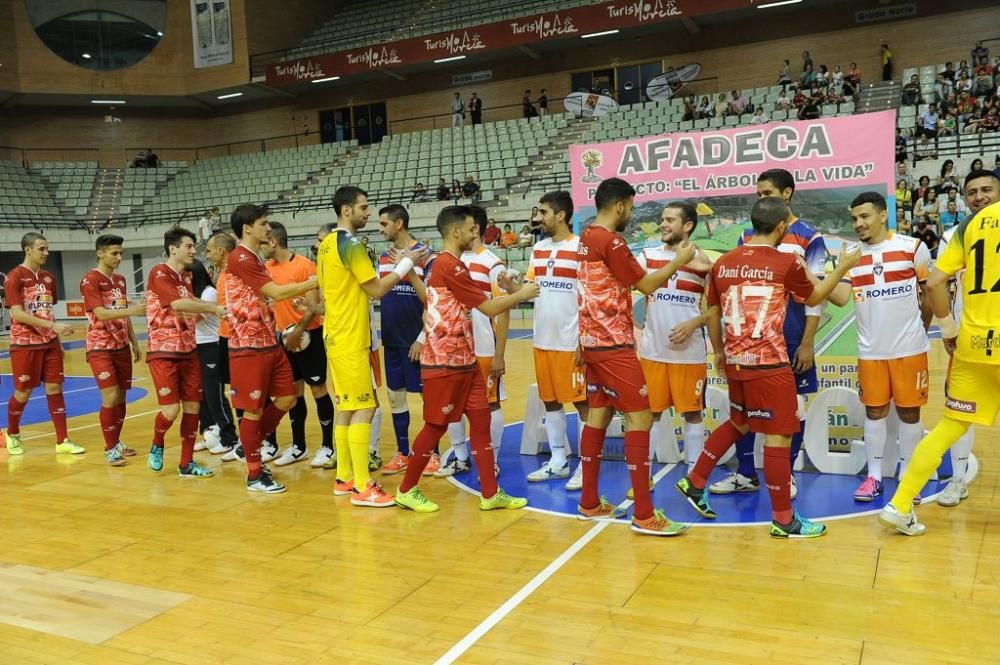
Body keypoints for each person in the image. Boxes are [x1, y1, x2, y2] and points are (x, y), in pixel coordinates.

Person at [675, 197, 861, 538]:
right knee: (779, 436)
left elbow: (713, 313)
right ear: (781, 227)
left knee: (740, 422)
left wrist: (718, 352)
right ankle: (784, 519)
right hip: (769, 365)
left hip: (735, 363)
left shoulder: (724, 263)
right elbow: (816, 297)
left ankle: (695, 480)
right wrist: (843, 267)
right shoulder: (785, 262)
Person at [393, 206, 539, 513]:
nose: (477, 233)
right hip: (444, 364)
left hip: (466, 361)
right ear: (456, 231)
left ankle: (490, 492)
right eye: (472, 228)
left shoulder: (445, 264)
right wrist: (523, 293)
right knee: (435, 426)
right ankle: (407, 490)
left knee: (482, 422)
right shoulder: (450, 266)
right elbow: (487, 308)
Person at [576, 177, 696, 536]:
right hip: (613, 346)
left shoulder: (585, 237)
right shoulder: (610, 241)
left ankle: (589, 502)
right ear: (620, 206)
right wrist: (680, 260)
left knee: (598, 415)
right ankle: (644, 514)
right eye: (630, 206)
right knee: (641, 418)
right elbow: (644, 285)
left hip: (592, 342)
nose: (630, 213)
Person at [715, 169, 842, 498]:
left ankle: (785, 475)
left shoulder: (809, 238)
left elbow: (816, 296)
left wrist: (807, 342)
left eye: (767, 192)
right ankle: (745, 473)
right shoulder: (746, 236)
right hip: (752, 344)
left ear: (787, 194)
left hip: (792, 339)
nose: (761, 198)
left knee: (792, 411)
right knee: (743, 412)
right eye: (758, 194)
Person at [880, 193, 1000, 535]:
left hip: (973, 343)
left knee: (950, 426)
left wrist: (948, 329)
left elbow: (934, 282)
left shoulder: (969, 224)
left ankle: (900, 504)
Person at [316, 186, 428, 506]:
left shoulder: (325, 244)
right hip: (351, 337)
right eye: (364, 208)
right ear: (346, 210)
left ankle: (344, 477)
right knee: (365, 407)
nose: (368, 213)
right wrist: (406, 263)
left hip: (335, 333)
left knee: (347, 407)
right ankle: (363, 486)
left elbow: (327, 292)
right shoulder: (350, 244)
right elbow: (377, 290)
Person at [843, 192, 932, 502]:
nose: (859, 223)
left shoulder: (912, 248)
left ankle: (908, 478)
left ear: (883, 215)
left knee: (910, 414)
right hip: (871, 352)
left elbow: (928, 294)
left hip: (909, 348)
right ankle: (874, 477)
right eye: (854, 218)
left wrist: (920, 328)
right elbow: (838, 297)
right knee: (875, 411)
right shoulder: (851, 256)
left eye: (865, 216)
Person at [227, 205, 319, 493]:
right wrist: (316, 280)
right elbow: (276, 292)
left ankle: (250, 443)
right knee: (252, 412)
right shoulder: (241, 257)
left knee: (287, 398)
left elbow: (267, 297)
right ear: (248, 228)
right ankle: (255, 473)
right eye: (264, 224)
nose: (269, 229)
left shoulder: (255, 257)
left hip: (269, 342)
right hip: (248, 346)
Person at [930, 169, 1000, 509]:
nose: (979, 197)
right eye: (972, 192)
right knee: (961, 413)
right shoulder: (955, 234)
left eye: (987, 189)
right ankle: (958, 479)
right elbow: (937, 283)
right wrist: (948, 329)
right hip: (973, 339)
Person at [637, 202, 713, 471]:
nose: (663, 224)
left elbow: (716, 309)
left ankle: (694, 473)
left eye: (670, 220)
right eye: (662, 219)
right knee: (650, 413)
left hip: (689, 354)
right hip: (652, 352)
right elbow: (629, 291)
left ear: (688, 226)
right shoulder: (647, 257)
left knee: (692, 413)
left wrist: (696, 321)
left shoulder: (704, 264)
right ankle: (642, 474)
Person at [437, 206, 510, 477]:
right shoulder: (448, 260)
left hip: (483, 348)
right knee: (453, 405)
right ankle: (460, 457)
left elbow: (502, 310)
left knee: (490, 405)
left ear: (474, 228)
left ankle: (492, 460)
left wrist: (499, 354)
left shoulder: (492, 263)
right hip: (454, 350)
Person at [145, 228, 223, 477]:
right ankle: (157, 443)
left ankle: (186, 463)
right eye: (189, 246)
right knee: (171, 410)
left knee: (192, 409)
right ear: (173, 249)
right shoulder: (160, 272)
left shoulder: (186, 278)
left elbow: (191, 306)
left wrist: (213, 308)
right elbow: (177, 304)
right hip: (163, 351)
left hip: (189, 350)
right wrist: (216, 309)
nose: (194, 251)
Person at [258, 221, 336, 468]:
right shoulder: (267, 268)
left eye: (264, 243)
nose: (261, 248)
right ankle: (299, 446)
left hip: (308, 336)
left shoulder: (305, 265)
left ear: (274, 242)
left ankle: (328, 447)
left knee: (318, 390)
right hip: (285, 339)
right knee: (293, 393)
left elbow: (313, 307)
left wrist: (298, 330)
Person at [523, 191, 587, 486]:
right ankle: (559, 460)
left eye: (544, 212)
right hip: (542, 341)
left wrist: (584, 338)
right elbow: (530, 286)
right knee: (550, 401)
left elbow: (589, 296)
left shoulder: (581, 248)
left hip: (570, 341)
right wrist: (512, 284)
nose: (539, 218)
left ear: (561, 215)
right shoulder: (538, 249)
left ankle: (588, 464)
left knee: (582, 404)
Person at [4, 233, 80, 456]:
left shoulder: (48, 278)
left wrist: (56, 340)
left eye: (47, 249)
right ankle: (12, 433)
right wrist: (53, 328)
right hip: (25, 344)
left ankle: (62, 440)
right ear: (28, 250)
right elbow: (17, 313)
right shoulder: (14, 277)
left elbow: (48, 313)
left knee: (55, 388)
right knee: (23, 392)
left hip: (49, 344)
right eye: (42, 249)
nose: (46, 253)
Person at [375, 204, 434, 476]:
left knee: (427, 399)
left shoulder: (426, 254)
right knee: (395, 397)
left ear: (399, 224)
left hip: (417, 341)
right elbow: (377, 293)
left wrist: (422, 337)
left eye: (384, 224)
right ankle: (402, 452)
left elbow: (432, 301)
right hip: (392, 340)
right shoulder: (383, 258)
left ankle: (431, 454)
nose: (380, 229)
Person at [80, 234, 145, 466]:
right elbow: (101, 313)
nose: (119, 257)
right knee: (110, 396)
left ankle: (116, 441)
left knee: (122, 398)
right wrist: (134, 311)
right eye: (114, 253)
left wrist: (134, 342)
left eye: (120, 253)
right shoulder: (90, 280)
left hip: (120, 347)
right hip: (100, 347)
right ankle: (110, 449)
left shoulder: (120, 280)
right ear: (100, 253)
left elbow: (123, 312)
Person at [189, 256, 238, 458]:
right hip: (196, 346)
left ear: (192, 274)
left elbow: (191, 319)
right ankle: (209, 432)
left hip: (212, 346)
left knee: (214, 394)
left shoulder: (209, 293)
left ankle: (230, 438)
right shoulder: (191, 294)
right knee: (200, 394)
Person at [204, 232, 243, 458]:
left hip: (238, 341)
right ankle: (241, 443)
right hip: (225, 338)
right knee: (236, 393)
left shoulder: (236, 274)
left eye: (209, 250)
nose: (207, 255)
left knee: (245, 394)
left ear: (221, 250)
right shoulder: (222, 275)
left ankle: (255, 444)